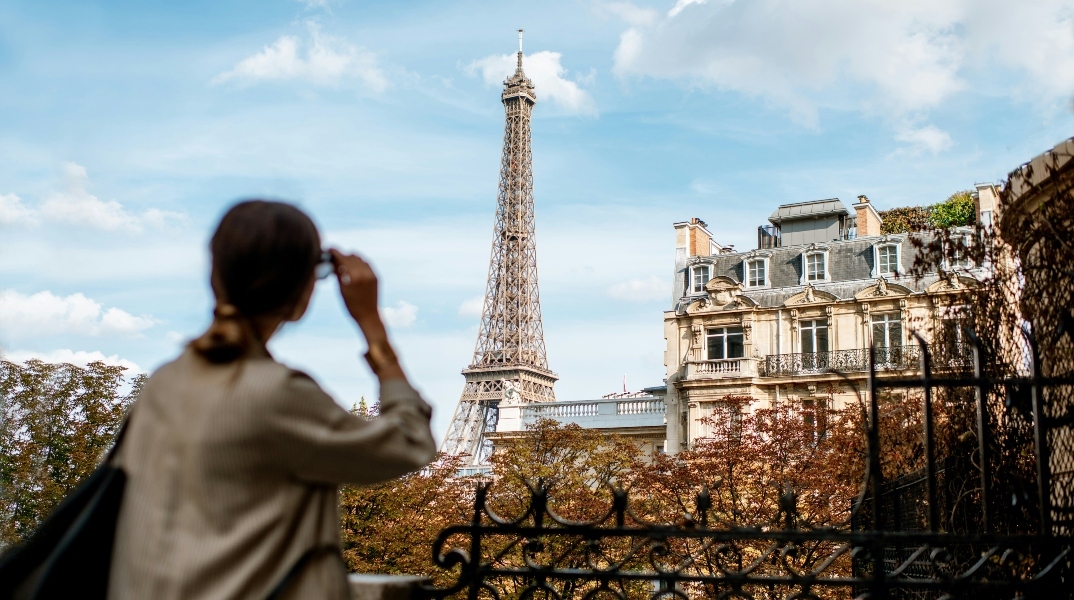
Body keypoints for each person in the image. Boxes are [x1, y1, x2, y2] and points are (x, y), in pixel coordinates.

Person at [107, 200, 436, 600]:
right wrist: (373, 328)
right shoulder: (279, 395)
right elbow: (411, 443)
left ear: (215, 278)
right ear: (303, 294)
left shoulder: (165, 382)